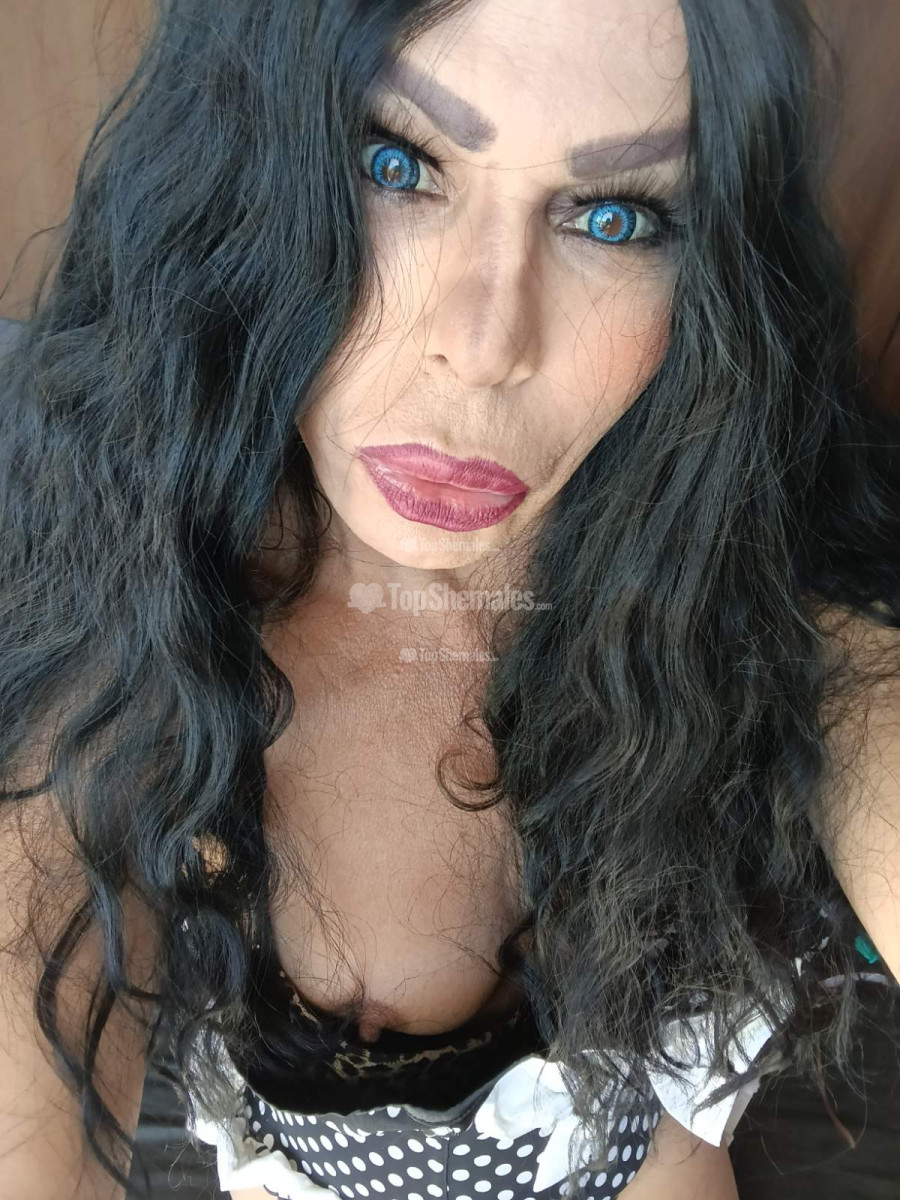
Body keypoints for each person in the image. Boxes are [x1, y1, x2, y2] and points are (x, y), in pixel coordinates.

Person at [1, 0, 899, 1197]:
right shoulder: (131, 610)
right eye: (396, 165)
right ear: (242, 167)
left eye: (614, 217)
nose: (483, 346)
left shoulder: (751, 599)